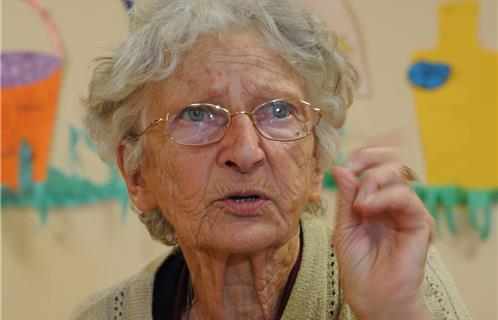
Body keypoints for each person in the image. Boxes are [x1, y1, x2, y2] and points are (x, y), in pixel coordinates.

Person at [72, 0, 470, 319]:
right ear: (137, 174)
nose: (245, 151)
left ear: (316, 162)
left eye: (278, 111)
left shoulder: (398, 280)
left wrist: (393, 313)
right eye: (197, 114)